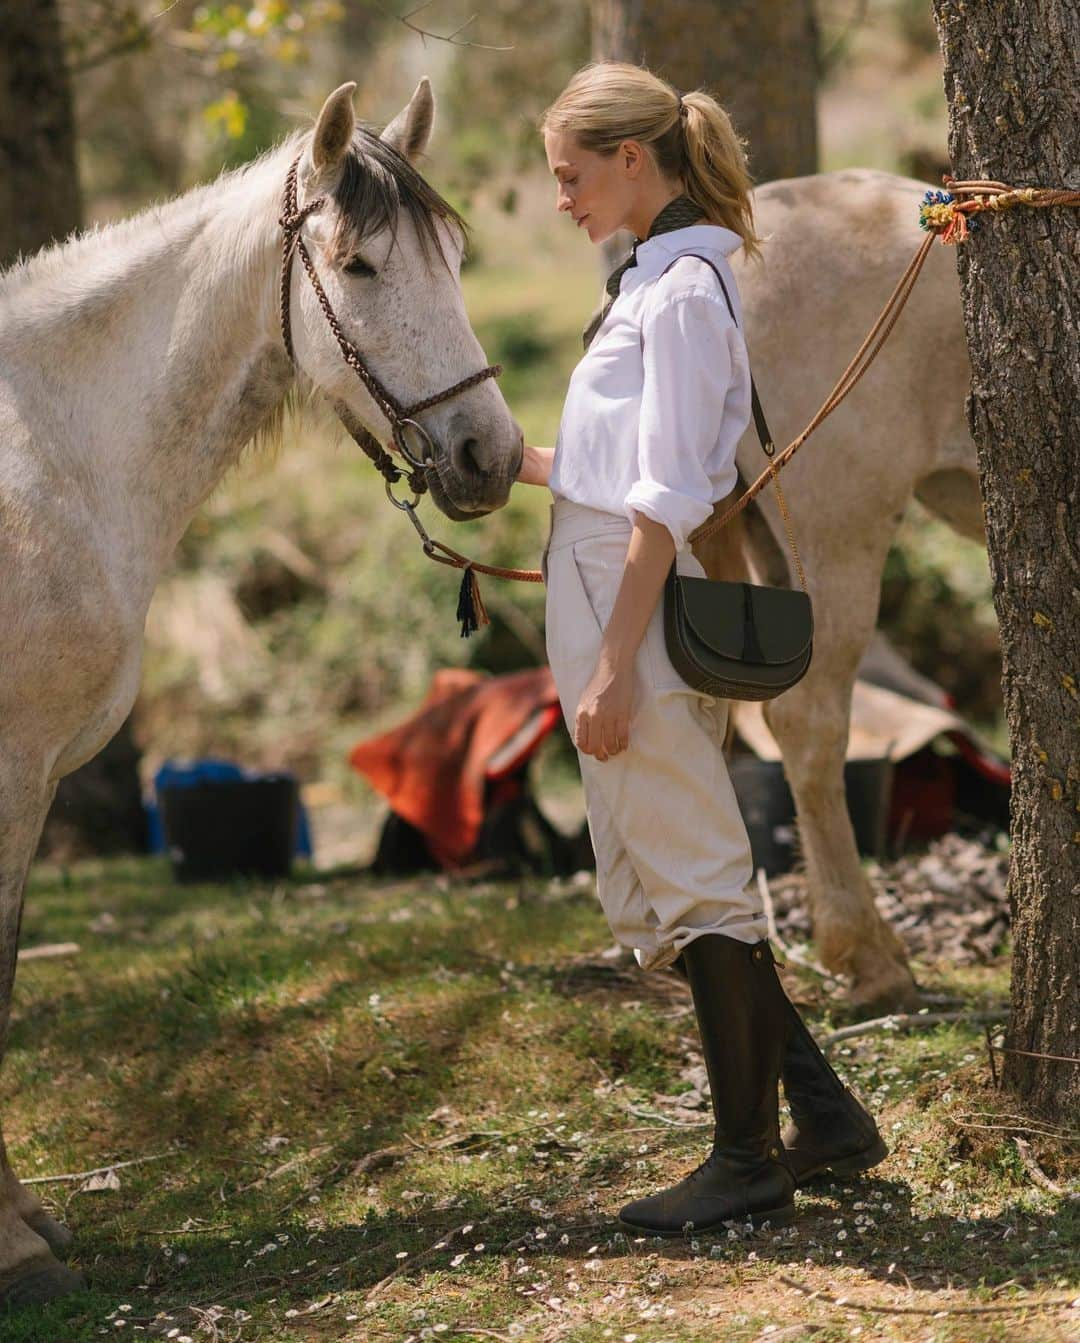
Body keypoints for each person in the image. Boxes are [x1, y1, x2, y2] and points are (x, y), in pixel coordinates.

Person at [513, 61, 886, 1236]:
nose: (562, 199)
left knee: (702, 881)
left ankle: (745, 1159)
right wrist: (508, 466)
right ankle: (823, 1115)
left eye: (572, 176)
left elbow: (668, 501)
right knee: (678, 873)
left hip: (637, 602)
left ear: (635, 160)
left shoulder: (677, 296)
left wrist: (618, 663)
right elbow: (625, 472)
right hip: (606, 585)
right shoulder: (650, 286)